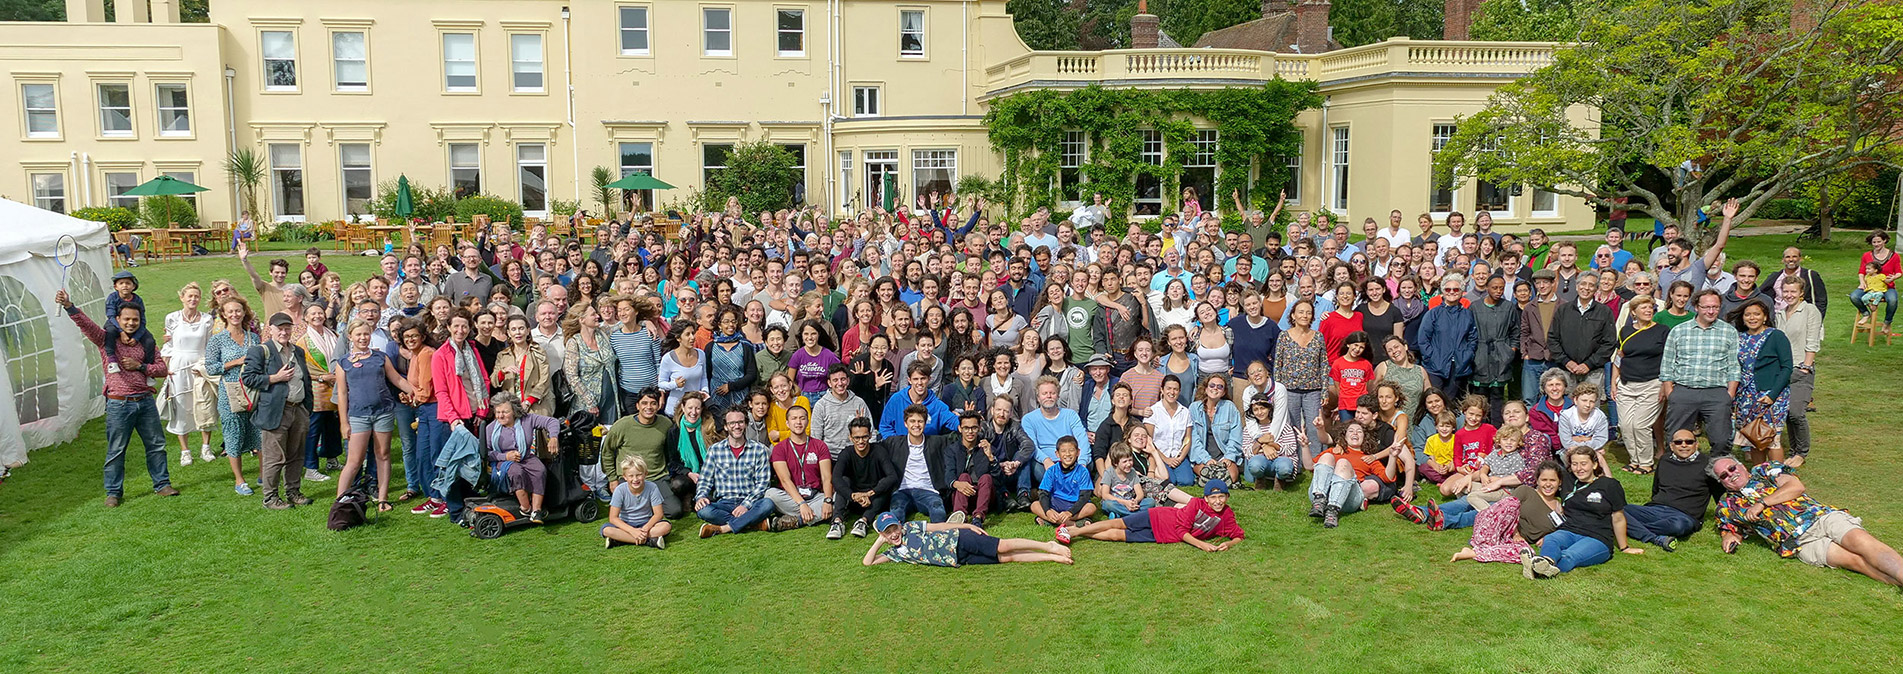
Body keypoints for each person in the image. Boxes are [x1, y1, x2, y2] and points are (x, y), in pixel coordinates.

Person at [57, 289, 178, 507]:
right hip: (118, 403)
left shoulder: (147, 342)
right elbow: (86, 325)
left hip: (145, 402)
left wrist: (140, 366)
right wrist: (69, 306)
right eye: (127, 319)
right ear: (118, 320)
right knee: (117, 449)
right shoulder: (106, 340)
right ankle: (113, 492)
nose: (131, 323)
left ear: (141, 321)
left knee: (156, 445)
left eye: (135, 319)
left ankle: (162, 485)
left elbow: (161, 369)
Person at [1713, 457, 1903, 587]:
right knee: (1854, 561)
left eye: (1732, 468)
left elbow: (1796, 486)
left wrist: (1762, 504)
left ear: (1742, 467)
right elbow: (1729, 529)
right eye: (1724, 475)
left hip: (1820, 517)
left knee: (1863, 543)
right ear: (1721, 482)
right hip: (1799, 543)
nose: (1731, 474)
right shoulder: (1727, 505)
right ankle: (1897, 583)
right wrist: (1729, 537)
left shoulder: (1764, 470)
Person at [334, 318, 417, 513]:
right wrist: (344, 422)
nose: (363, 338)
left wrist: (416, 392)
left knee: (383, 455)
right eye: (359, 334)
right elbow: (342, 394)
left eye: (366, 334)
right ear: (350, 337)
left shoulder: (380, 357)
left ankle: (382, 499)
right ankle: (339, 502)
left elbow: (396, 379)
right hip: (358, 416)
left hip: (383, 413)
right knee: (354, 461)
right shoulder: (343, 362)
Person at [1522, 447, 1641, 579]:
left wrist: (1624, 547)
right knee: (1551, 539)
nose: (1579, 468)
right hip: (1569, 530)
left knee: (1570, 555)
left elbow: (1618, 518)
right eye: (1575, 464)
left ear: (1594, 464)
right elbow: (1546, 482)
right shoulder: (1567, 480)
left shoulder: (1609, 485)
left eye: (1583, 463)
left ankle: (1536, 568)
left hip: (1597, 537)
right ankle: (1545, 562)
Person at [241, 312, 314, 511]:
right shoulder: (260, 351)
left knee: (297, 455)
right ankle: (270, 498)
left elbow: (305, 379)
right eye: (279, 328)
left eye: (287, 328)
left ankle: (293, 491)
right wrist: (275, 378)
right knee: (274, 457)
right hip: (275, 412)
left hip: (298, 409)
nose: (283, 332)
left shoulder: (297, 351)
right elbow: (248, 378)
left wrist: (307, 407)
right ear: (271, 329)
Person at [1058, 478, 1244, 550]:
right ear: (1206, 498)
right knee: (1119, 523)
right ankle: (1074, 532)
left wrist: (1229, 543)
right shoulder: (1196, 504)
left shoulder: (1226, 515)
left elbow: (1239, 535)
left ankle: (1083, 530)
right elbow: (1182, 531)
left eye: (1222, 497)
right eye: (1214, 497)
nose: (1218, 501)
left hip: (1161, 535)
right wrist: (1201, 545)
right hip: (1158, 516)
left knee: (1117, 536)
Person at [1660, 290, 1741, 455]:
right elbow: (1667, 363)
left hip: (1716, 392)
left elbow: (1733, 365)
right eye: (1706, 307)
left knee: (1721, 439)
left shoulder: (1729, 331)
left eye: (1715, 307)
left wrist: (1730, 393)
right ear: (1696, 307)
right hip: (1684, 390)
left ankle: (1717, 470)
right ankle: (1677, 470)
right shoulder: (1679, 331)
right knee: (1676, 436)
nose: (1711, 311)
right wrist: (1670, 392)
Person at [1618, 429, 1720, 552]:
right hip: (1656, 510)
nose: (1684, 445)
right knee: (1618, 511)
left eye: (1689, 442)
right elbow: (1656, 488)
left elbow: (1719, 495)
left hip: (1684, 516)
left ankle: (1632, 528)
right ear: (1671, 446)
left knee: (1677, 527)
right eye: (1678, 442)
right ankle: (1652, 536)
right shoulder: (1665, 460)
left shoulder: (1708, 464)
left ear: (1696, 444)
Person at [696, 407, 786, 538]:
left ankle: (724, 528)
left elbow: (763, 484)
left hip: (751, 502)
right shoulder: (715, 450)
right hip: (724, 503)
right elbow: (705, 479)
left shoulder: (759, 450)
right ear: (726, 427)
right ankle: (753, 523)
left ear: (745, 424)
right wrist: (701, 496)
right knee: (703, 510)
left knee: (768, 504)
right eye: (732, 423)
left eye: (740, 422)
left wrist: (745, 505)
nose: (736, 426)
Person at [863, 512, 1073, 567]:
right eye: (887, 532)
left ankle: (1048, 546)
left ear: (900, 525)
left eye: (894, 528)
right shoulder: (894, 554)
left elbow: (941, 526)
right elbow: (868, 562)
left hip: (959, 539)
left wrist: (966, 525)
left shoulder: (911, 527)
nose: (893, 534)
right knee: (1006, 558)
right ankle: (1051, 558)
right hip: (959, 559)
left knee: (1004, 545)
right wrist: (879, 541)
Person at [204, 297, 262, 495]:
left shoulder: (253, 337)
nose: (235, 315)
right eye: (230, 311)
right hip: (230, 392)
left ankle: (264, 475)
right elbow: (210, 368)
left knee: (260, 433)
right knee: (233, 434)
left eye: (238, 311)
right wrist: (235, 362)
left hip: (254, 391)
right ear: (224, 314)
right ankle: (240, 480)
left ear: (244, 312)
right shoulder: (217, 340)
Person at [600, 388, 680, 517]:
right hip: (629, 478)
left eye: (653, 403)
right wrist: (612, 479)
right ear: (637, 405)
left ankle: (651, 504)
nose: (649, 407)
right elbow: (607, 452)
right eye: (644, 403)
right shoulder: (622, 425)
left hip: (656, 477)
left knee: (674, 511)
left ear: (658, 405)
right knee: (625, 513)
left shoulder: (665, 424)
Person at [1730, 298, 1792, 464]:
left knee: (1772, 439)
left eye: (1756, 314)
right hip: (1746, 397)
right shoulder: (1739, 338)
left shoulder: (1776, 336)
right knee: (1754, 438)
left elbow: (1787, 367)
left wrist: (1772, 395)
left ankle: (1779, 477)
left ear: (1764, 317)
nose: (1752, 318)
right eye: (1748, 315)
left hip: (1771, 395)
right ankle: (1760, 477)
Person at [483, 393, 561, 522]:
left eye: (505, 412)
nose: (500, 416)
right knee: (516, 472)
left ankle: (536, 511)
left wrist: (553, 437)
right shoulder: (490, 428)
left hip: (525, 457)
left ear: (514, 411)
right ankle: (525, 508)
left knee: (539, 470)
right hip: (502, 461)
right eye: (498, 412)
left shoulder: (527, 419)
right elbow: (486, 453)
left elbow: (551, 421)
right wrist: (505, 456)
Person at [160, 282, 215, 466]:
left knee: (204, 403)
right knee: (181, 406)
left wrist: (204, 366)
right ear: (182, 297)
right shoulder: (172, 318)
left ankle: (206, 447)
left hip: (199, 366)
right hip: (178, 366)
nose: (193, 299)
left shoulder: (207, 319)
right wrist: (165, 368)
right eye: (189, 296)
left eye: (196, 296)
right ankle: (185, 450)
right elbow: (168, 345)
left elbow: (209, 345)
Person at [1612, 296, 1668, 473]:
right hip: (1627, 383)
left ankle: (1646, 462)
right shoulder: (1625, 331)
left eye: (1650, 307)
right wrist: (1614, 382)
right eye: (1643, 307)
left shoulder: (1662, 331)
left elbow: (1668, 360)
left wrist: (1664, 385)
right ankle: (1634, 460)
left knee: (1640, 425)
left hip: (1652, 383)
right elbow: (1619, 358)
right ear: (1634, 312)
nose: (1648, 310)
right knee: (1626, 425)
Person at [1773, 276, 1823, 462]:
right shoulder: (1780, 313)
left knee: (1796, 412)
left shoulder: (1809, 310)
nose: (1789, 295)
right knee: (1786, 412)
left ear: (1801, 292)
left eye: (1793, 291)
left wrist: (1806, 367)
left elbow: (1812, 340)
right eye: (1786, 291)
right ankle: (1793, 450)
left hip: (1801, 367)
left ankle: (1802, 452)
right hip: (1782, 370)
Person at [880, 404, 954, 524]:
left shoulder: (937, 442)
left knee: (939, 512)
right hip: (902, 491)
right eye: (912, 421)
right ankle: (897, 536)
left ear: (925, 423)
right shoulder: (893, 443)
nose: (916, 425)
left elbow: (958, 438)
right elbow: (872, 450)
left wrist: (964, 420)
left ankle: (941, 537)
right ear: (905, 423)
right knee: (896, 512)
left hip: (928, 491)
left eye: (920, 421)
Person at [767, 405, 833, 528]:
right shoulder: (779, 449)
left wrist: (827, 500)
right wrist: (802, 503)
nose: (798, 422)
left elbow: (826, 477)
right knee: (770, 494)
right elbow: (785, 480)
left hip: (815, 496)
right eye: (794, 418)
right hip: (792, 497)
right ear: (787, 423)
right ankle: (813, 515)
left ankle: (795, 521)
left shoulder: (820, 445)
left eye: (802, 418)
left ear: (808, 421)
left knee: (837, 497)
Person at [1415, 274, 1476, 402]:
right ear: (1443, 292)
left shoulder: (1467, 314)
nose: (1452, 292)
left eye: (1456, 289)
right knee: (1434, 401)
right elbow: (1423, 339)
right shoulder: (1433, 313)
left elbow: (1472, 338)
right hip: (1436, 366)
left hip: (1459, 366)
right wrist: (1431, 357)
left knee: (1452, 403)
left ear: (1461, 292)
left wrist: (1467, 355)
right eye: (1448, 289)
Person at [829, 417, 892, 539]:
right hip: (854, 499)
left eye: (864, 437)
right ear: (850, 438)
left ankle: (863, 521)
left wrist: (870, 494)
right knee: (844, 480)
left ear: (870, 435)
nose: (861, 441)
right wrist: (853, 495)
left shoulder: (879, 451)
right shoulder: (846, 453)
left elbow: (892, 476)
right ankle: (837, 521)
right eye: (857, 438)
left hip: (874, 499)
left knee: (884, 486)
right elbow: (835, 478)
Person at [602, 456, 672, 549]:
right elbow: (613, 518)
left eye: (638, 475)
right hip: (626, 524)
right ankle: (650, 541)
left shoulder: (652, 487)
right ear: (625, 477)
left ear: (645, 474)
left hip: (646, 523)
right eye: (631, 476)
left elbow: (658, 514)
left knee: (665, 526)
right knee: (607, 530)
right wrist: (632, 531)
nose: (635, 479)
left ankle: (620, 540)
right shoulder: (620, 490)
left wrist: (645, 529)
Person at [1031, 436, 1097, 528]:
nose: (1068, 454)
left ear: (1078, 452)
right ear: (1057, 454)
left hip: (1074, 504)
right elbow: (1043, 493)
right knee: (1034, 505)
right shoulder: (1052, 470)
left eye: (1071, 450)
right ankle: (1073, 524)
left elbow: (1085, 496)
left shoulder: (1082, 471)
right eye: (1063, 451)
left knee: (1091, 508)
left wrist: (1070, 512)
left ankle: (1053, 521)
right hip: (1055, 503)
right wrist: (1048, 511)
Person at [942, 411, 994, 525]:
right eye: (966, 428)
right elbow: (948, 474)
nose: (970, 432)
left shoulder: (985, 447)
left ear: (979, 428)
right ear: (960, 429)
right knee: (963, 476)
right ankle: (960, 516)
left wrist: (990, 457)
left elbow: (998, 477)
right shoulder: (952, 450)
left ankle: (978, 518)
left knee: (986, 477)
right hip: (960, 493)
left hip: (982, 494)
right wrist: (957, 484)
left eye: (974, 428)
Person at [1850, 231, 1899, 335]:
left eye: (1879, 242)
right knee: (1854, 296)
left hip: (1887, 286)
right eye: (1874, 242)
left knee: (1893, 300)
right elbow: (1861, 272)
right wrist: (1862, 283)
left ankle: (1887, 322)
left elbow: (1899, 272)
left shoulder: (1894, 256)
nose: (1876, 244)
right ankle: (1866, 313)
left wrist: (1894, 277)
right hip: (1870, 286)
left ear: (1884, 240)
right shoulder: (1867, 255)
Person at [1097, 443, 1153, 518]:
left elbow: (1140, 493)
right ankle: (1134, 515)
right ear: (1115, 463)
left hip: (1130, 501)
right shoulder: (1109, 473)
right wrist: (1125, 503)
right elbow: (1105, 495)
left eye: (1130, 460)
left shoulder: (1132, 472)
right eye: (1125, 461)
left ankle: (1120, 514)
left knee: (1150, 502)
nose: (1129, 464)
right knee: (1108, 504)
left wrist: (1135, 501)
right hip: (1116, 502)